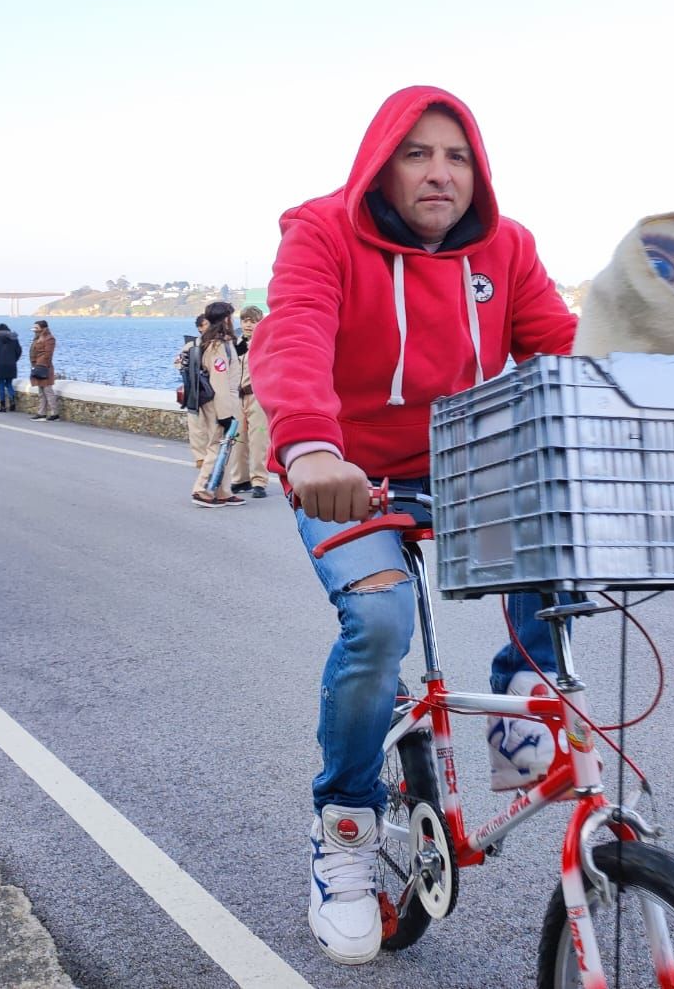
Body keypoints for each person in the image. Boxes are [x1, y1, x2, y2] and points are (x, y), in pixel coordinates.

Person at [250, 86, 577, 965]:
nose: (440, 171)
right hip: (347, 476)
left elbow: (557, 349)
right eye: (418, 152)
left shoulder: (507, 248)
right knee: (381, 621)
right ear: (381, 160)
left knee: (574, 557)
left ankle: (520, 722)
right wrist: (313, 447)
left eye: (458, 155)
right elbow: (296, 334)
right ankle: (345, 834)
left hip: (463, 470)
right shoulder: (322, 232)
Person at [177, 305, 245, 506]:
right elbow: (220, 382)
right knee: (217, 445)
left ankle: (224, 491)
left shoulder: (207, 342)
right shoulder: (217, 346)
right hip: (221, 401)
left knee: (226, 446)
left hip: (213, 400)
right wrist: (225, 414)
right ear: (225, 319)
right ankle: (202, 490)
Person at [226, 305, 272, 499]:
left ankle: (259, 480)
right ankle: (240, 478)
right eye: (245, 320)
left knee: (259, 440)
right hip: (237, 397)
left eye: (253, 321)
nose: (248, 325)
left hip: (257, 396)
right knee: (238, 439)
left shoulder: (265, 343)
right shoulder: (235, 344)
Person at [28, 321, 60, 420]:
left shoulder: (49, 338)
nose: (34, 329)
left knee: (48, 390)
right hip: (37, 366)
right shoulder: (37, 338)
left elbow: (48, 354)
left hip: (44, 367)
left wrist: (42, 364)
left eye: (36, 327)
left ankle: (55, 413)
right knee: (41, 391)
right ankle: (41, 413)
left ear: (43, 328)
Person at [0, 323, 22, 412]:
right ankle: (12, 402)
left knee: (1, 385)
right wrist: (14, 359)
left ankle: (3, 406)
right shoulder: (14, 338)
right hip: (11, 364)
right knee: (9, 384)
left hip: (0, 364)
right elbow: (19, 350)